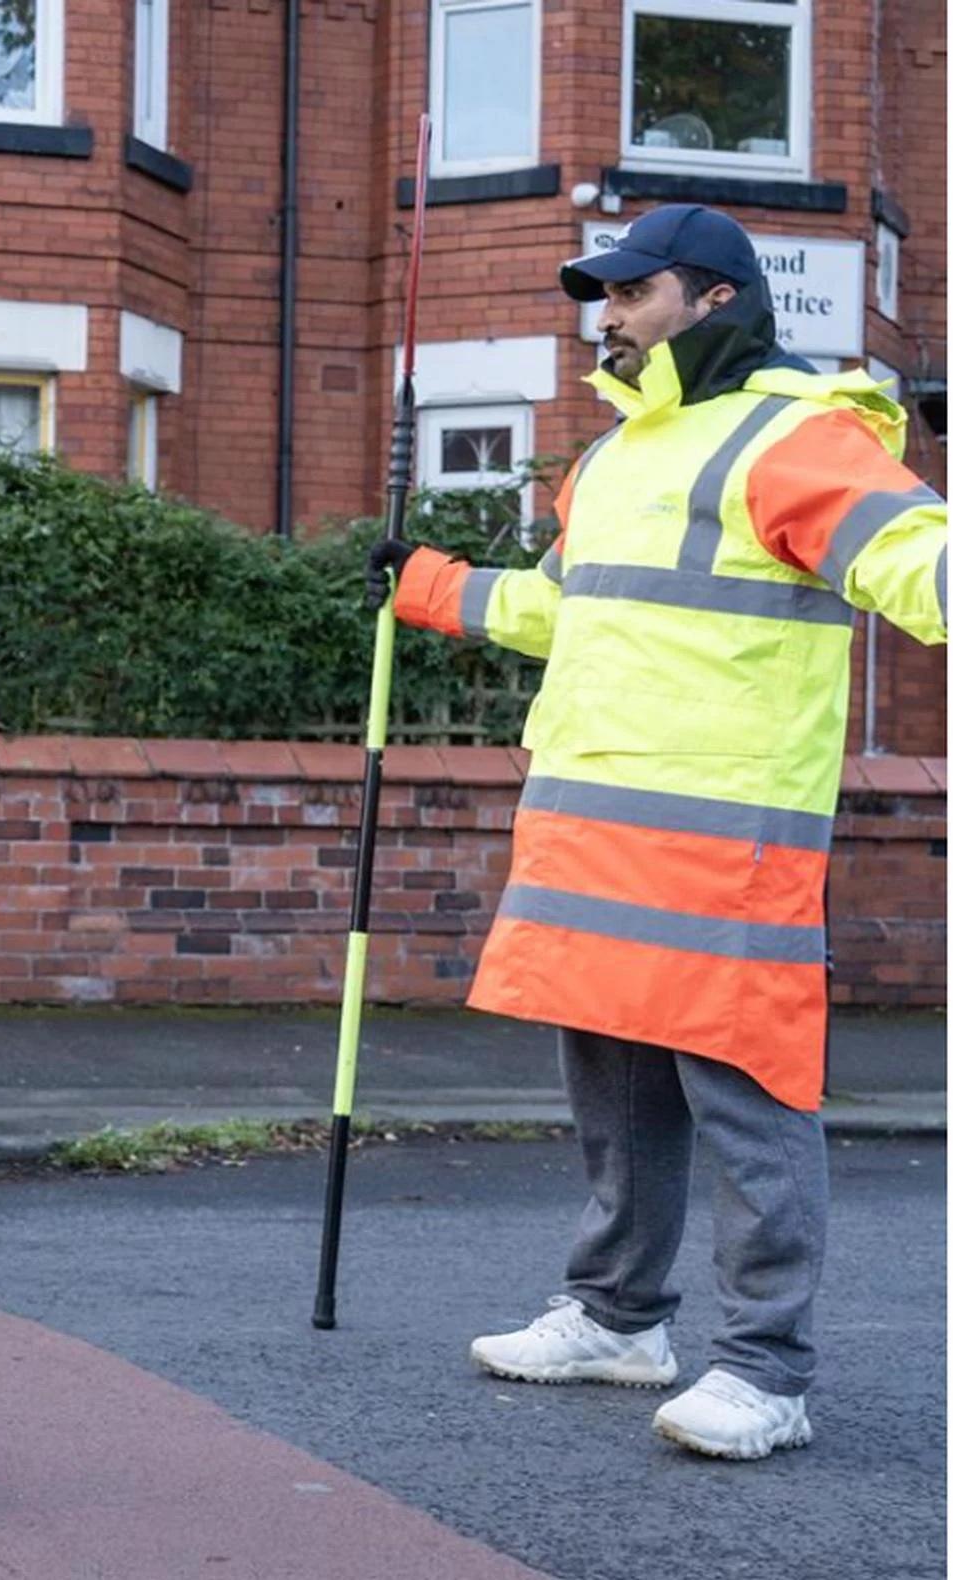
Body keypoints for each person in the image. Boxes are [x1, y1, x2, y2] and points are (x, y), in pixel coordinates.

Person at [366, 203, 947, 1459]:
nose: (609, 315)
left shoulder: (796, 436)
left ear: (716, 300)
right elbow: (572, 608)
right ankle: (620, 1316)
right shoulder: (619, 454)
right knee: (615, 1092)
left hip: (723, 844)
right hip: (593, 834)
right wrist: (429, 586)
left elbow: (916, 559)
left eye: (633, 293)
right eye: (605, 296)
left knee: (748, 1101)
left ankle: (765, 1369)